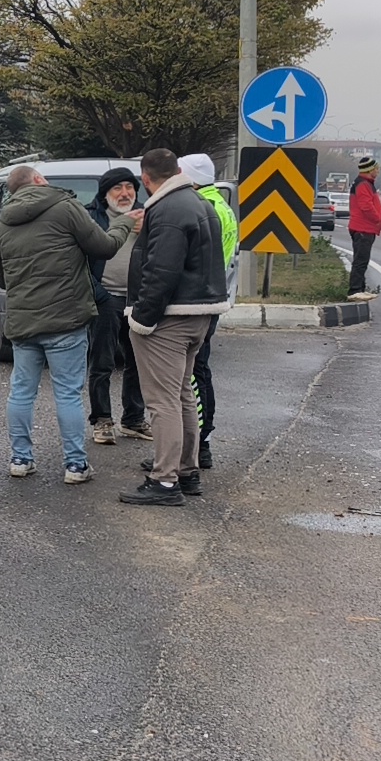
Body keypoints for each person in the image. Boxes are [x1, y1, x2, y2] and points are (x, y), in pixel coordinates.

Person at [0, 165, 138, 484]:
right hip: (66, 319)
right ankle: (75, 465)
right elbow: (105, 247)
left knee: (21, 391)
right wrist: (125, 222)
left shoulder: (1, 225)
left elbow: (1, 278)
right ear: (40, 181)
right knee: (68, 393)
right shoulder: (66, 208)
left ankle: (20, 458)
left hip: (23, 321)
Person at [120, 149, 229, 506]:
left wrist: (142, 319)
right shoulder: (200, 203)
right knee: (182, 393)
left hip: (170, 318)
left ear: (146, 179)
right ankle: (187, 469)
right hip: (199, 313)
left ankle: (164, 481)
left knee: (162, 400)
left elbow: (161, 272)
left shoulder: (166, 210)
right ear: (178, 170)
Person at [178, 153, 237, 470]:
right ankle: (197, 443)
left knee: (194, 376)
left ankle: (199, 444)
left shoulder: (204, 208)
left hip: (197, 301)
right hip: (212, 297)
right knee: (198, 373)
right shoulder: (221, 205)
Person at [85, 168, 149, 445]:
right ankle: (102, 420)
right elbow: (80, 261)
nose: (125, 194)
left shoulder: (149, 216)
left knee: (138, 363)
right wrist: (97, 294)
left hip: (138, 300)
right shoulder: (92, 218)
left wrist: (148, 230)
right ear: (105, 193)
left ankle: (133, 419)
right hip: (105, 297)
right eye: (117, 189)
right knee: (102, 362)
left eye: (129, 187)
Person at [347, 157, 381, 301]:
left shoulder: (366, 183)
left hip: (365, 228)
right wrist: (377, 219)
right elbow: (366, 206)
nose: (378, 171)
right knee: (360, 260)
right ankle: (355, 290)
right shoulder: (363, 185)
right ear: (369, 170)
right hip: (363, 227)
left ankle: (360, 289)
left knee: (362, 259)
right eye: (376, 168)